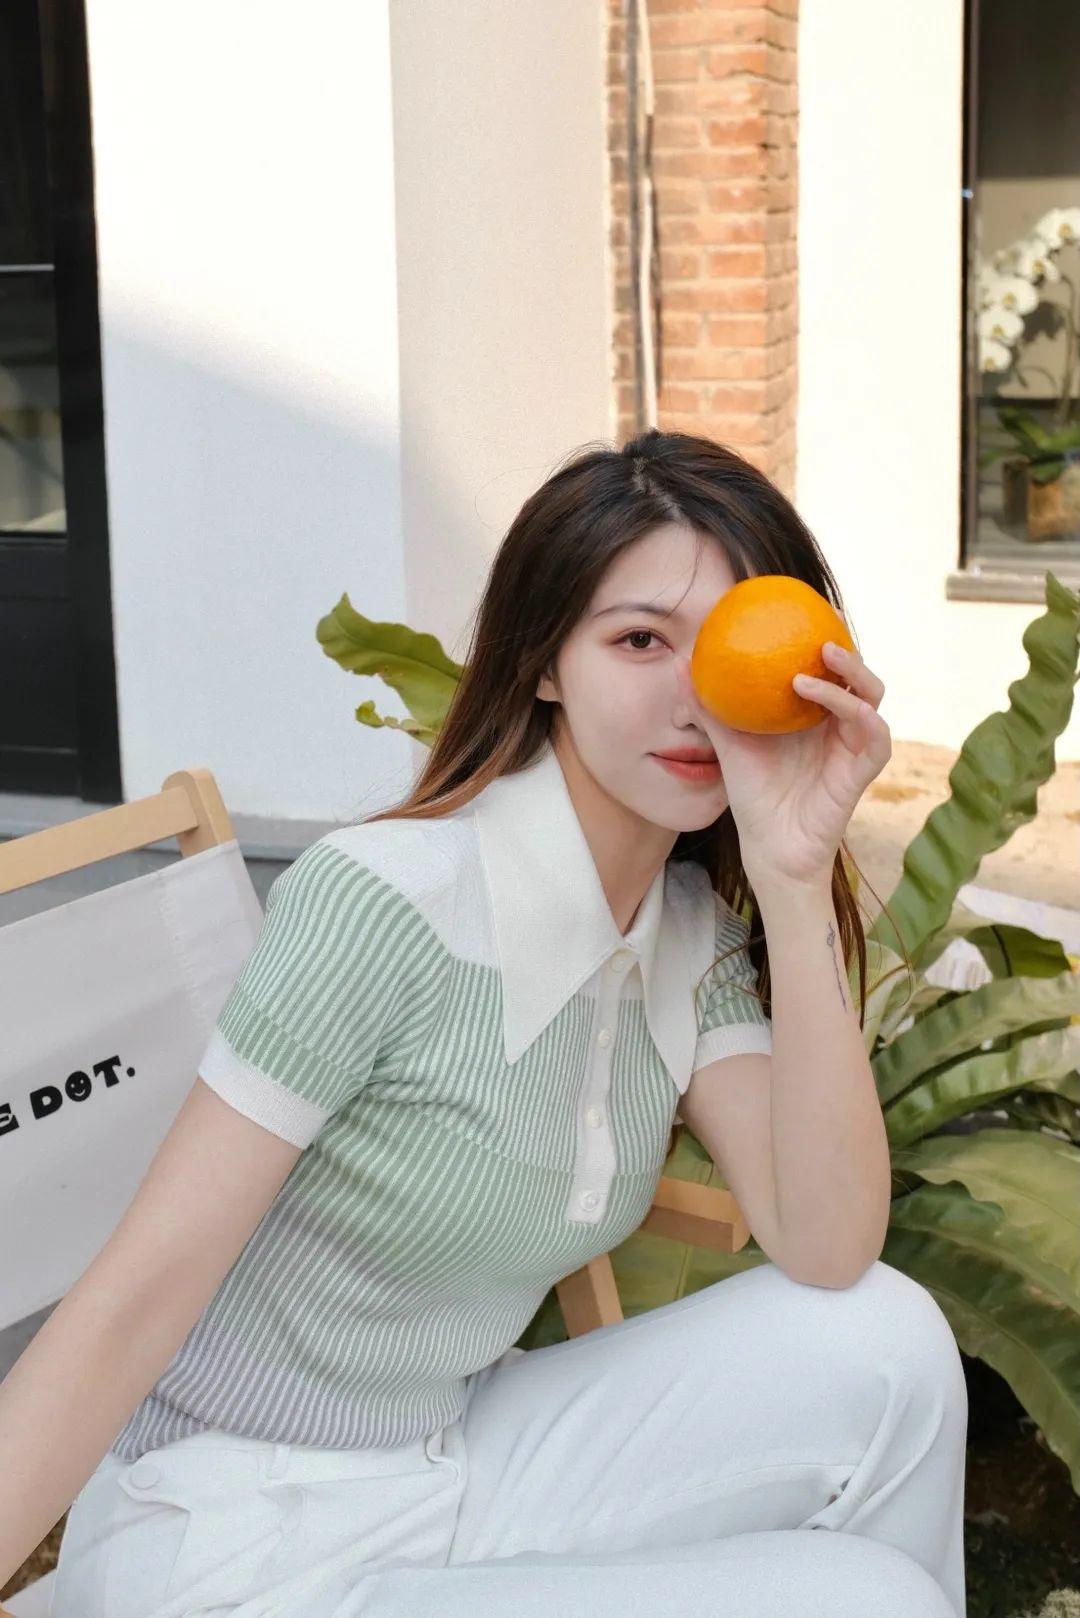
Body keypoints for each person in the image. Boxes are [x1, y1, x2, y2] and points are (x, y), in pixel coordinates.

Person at [0, 430, 967, 1618]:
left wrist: (792, 872)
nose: (693, 697)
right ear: (545, 662)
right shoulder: (386, 904)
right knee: (871, 1601)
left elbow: (829, 1245)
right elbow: (132, 1299)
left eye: (722, 644)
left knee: (887, 1343)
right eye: (639, 640)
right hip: (238, 1529)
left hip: (450, 1462)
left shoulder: (686, 936)